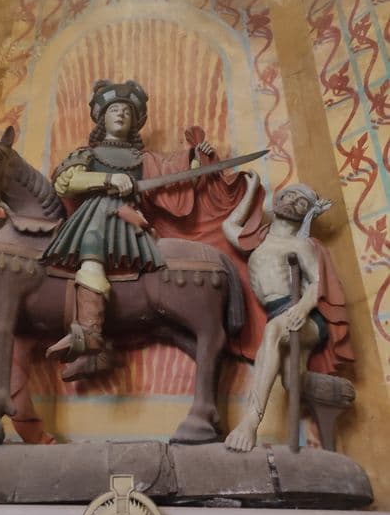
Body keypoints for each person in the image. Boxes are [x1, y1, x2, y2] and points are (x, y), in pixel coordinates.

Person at [44, 79, 214, 376]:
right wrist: (109, 180)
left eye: (126, 111)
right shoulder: (88, 154)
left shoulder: (144, 159)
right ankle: (90, 333)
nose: (121, 114)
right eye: (114, 110)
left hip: (128, 219)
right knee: (92, 240)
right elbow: (66, 182)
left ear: (135, 121)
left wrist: (199, 158)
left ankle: (93, 337)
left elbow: (178, 178)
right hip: (93, 215)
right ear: (102, 118)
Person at [222, 175, 354, 452]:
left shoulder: (300, 245)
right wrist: (251, 189)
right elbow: (228, 226)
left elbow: (318, 282)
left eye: (301, 202)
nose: (293, 201)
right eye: (290, 195)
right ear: (278, 200)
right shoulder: (258, 240)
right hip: (278, 312)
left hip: (305, 315)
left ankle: (250, 423)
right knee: (292, 381)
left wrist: (303, 308)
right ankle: (329, 395)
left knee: (272, 333)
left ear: (307, 214)